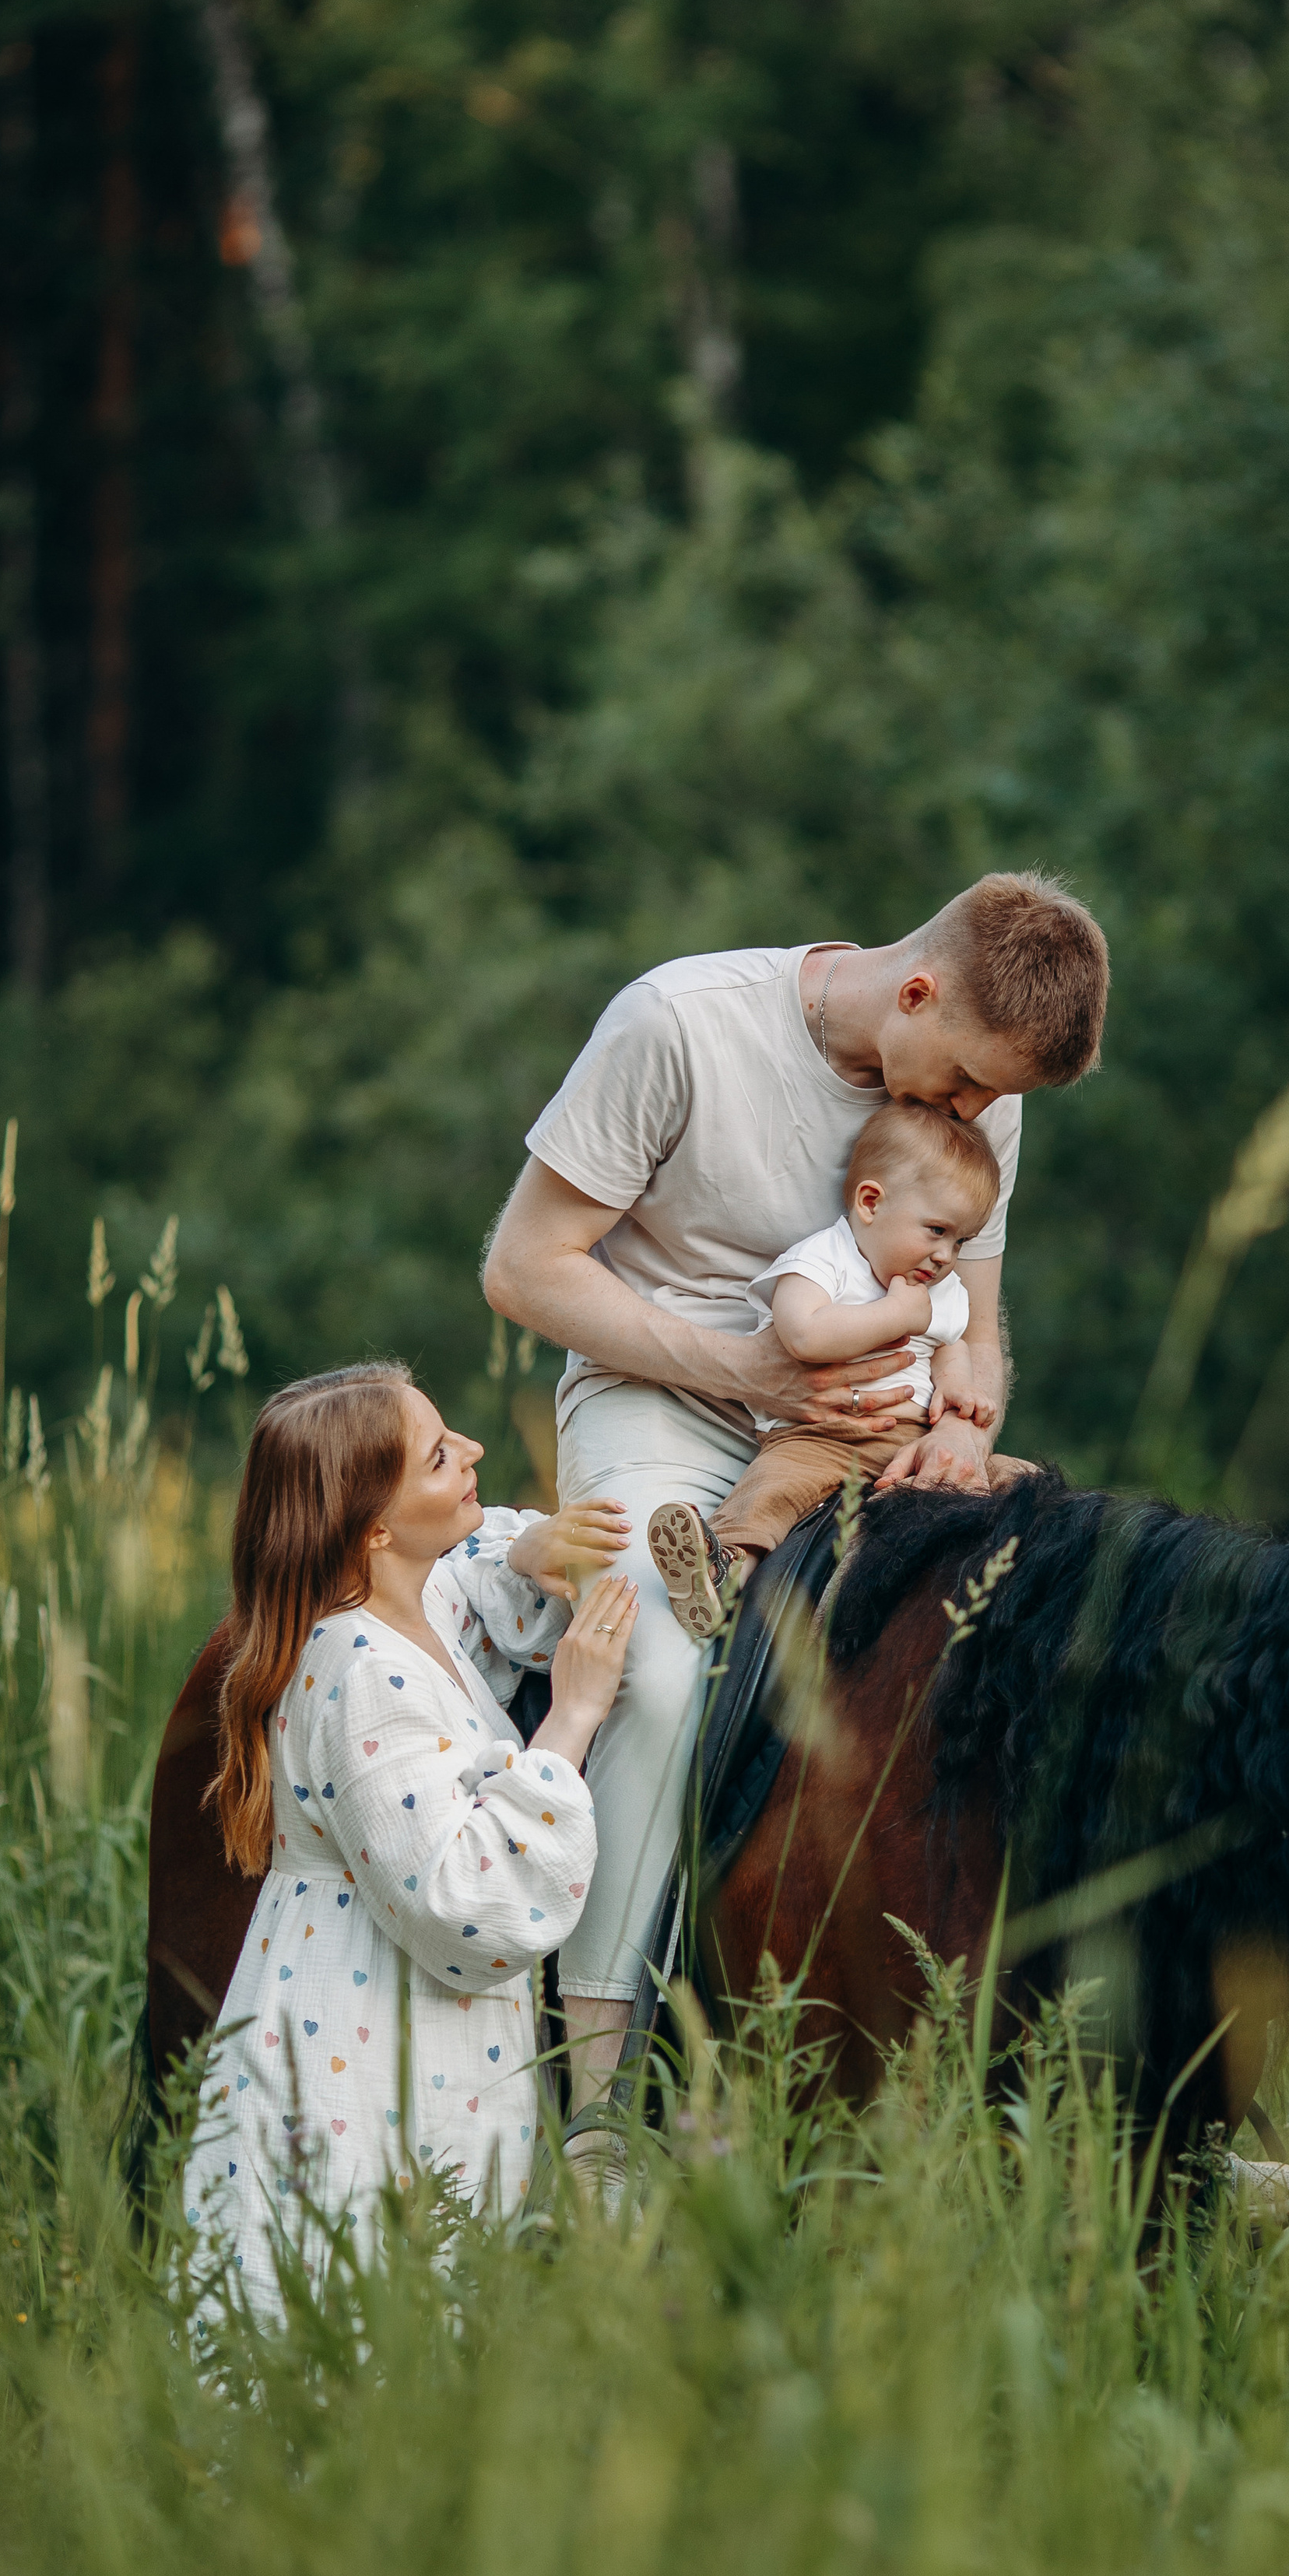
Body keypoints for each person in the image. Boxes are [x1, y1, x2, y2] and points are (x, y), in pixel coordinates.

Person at [479, 872, 1109, 2156]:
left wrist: (959, 1424)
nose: (981, 1119)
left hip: (872, 1439)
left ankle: (1086, 2098)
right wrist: (752, 1375)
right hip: (666, 1405)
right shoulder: (681, 1023)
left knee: (1074, 1621)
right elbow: (522, 1268)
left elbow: (978, 1333)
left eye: (1003, 1105)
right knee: (658, 1671)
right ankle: (598, 2107)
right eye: (971, 1085)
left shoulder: (976, 1096)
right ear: (918, 993)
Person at [181, 1361, 638, 2320]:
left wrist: (529, 1552)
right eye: (440, 1456)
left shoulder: (410, 1605)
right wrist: (571, 1719)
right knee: (356, 2323)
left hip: (413, 2051)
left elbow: (472, 1580)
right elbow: (462, 1906)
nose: (473, 1452)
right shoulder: (355, 1671)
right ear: (376, 1528)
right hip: (360, 2056)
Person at [647, 1099, 1005, 1640]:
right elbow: (803, 1334)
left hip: (912, 1445)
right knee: (771, 1493)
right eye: (936, 1230)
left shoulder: (941, 1291)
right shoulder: (824, 1260)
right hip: (817, 1436)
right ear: (870, 1202)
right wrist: (894, 1315)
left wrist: (957, 1392)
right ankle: (722, 1572)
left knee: (1015, 1478)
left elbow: (950, 1344)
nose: (947, 1255)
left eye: (962, 1240)